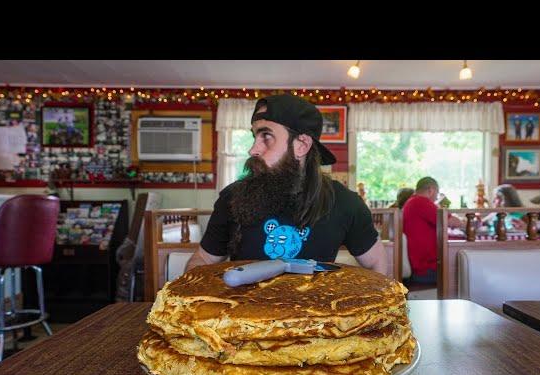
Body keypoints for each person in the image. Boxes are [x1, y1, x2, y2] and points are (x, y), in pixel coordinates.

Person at [184, 94, 388, 275]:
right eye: (255, 136)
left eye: (267, 137)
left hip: (316, 315)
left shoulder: (345, 203)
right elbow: (204, 259)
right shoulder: (232, 197)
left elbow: (376, 262)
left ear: (301, 145)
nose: (253, 150)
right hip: (245, 314)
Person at [402, 177, 463, 284]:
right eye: (437, 193)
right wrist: (467, 222)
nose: (436, 198)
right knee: (464, 271)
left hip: (420, 266)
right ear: (431, 190)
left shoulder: (412, 202)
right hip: (424, 270)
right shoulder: (421, 202)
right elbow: (453, 222)